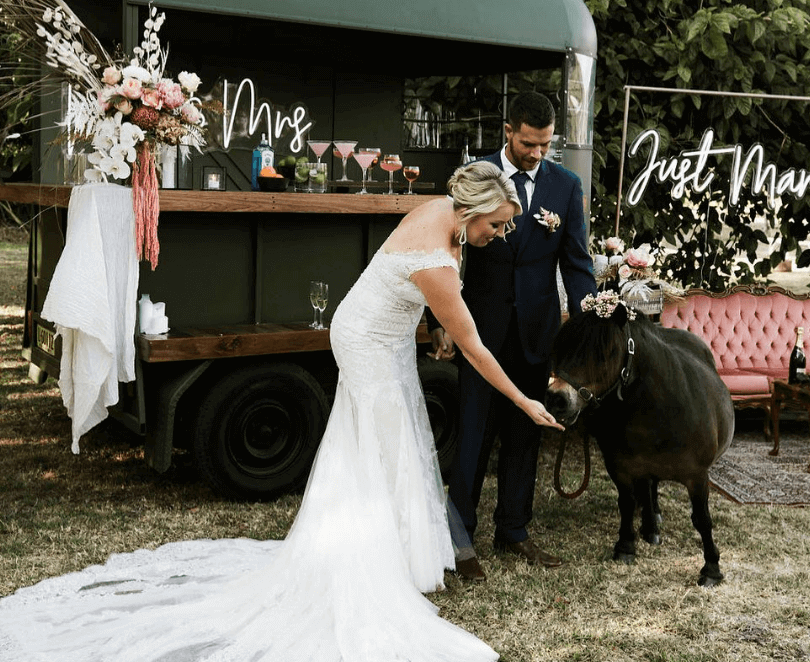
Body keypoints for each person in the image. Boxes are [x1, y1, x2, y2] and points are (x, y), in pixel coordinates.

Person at [0, 161, 562, 662]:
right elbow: (475, 347)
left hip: (382, 332)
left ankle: (403, 556)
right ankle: (369, 559)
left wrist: (434, 323)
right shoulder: (439, 256)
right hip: (366, 339)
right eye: (497, 224)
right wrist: (522, 399)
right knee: (381, 441)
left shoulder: (444, 209)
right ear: (473, 211)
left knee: (393, 435)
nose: (500, 234)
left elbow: (424, 295)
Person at [429, 91, 596, 582]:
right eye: (528, 143)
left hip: (536, 335)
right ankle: (459, 539)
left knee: (527, 432)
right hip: (479, 329)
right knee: (473, 435)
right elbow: (444, 248)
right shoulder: (475, 174)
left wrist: (586, 317)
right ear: (509, 130)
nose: (537, 154)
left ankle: (514, 530)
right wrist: (438, 319)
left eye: (544, 145)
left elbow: (577, 260)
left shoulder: (565, 186)